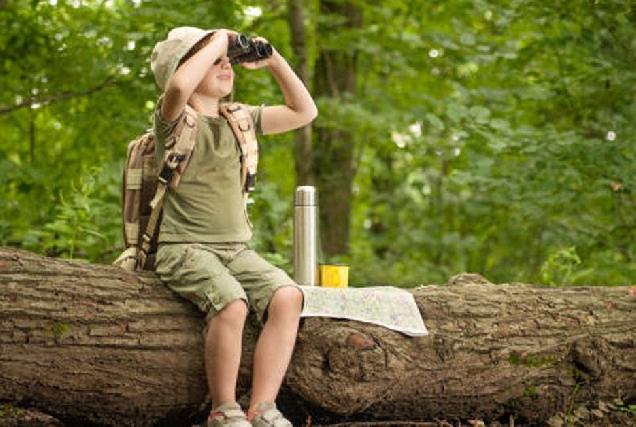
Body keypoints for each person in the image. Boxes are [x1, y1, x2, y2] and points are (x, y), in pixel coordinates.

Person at [149, 26, 318, 427]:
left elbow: (304, 112)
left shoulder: (239, 119)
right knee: (232, 302)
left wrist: (274, 60)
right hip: (184, 247)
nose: (226, 65)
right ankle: (224, 409)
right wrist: (218, 41)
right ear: (189, 65)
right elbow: (177, 86)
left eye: (229, 61)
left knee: (288, 296)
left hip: (234, 250)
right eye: (215, 61)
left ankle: (263, 407)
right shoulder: (173, 120)